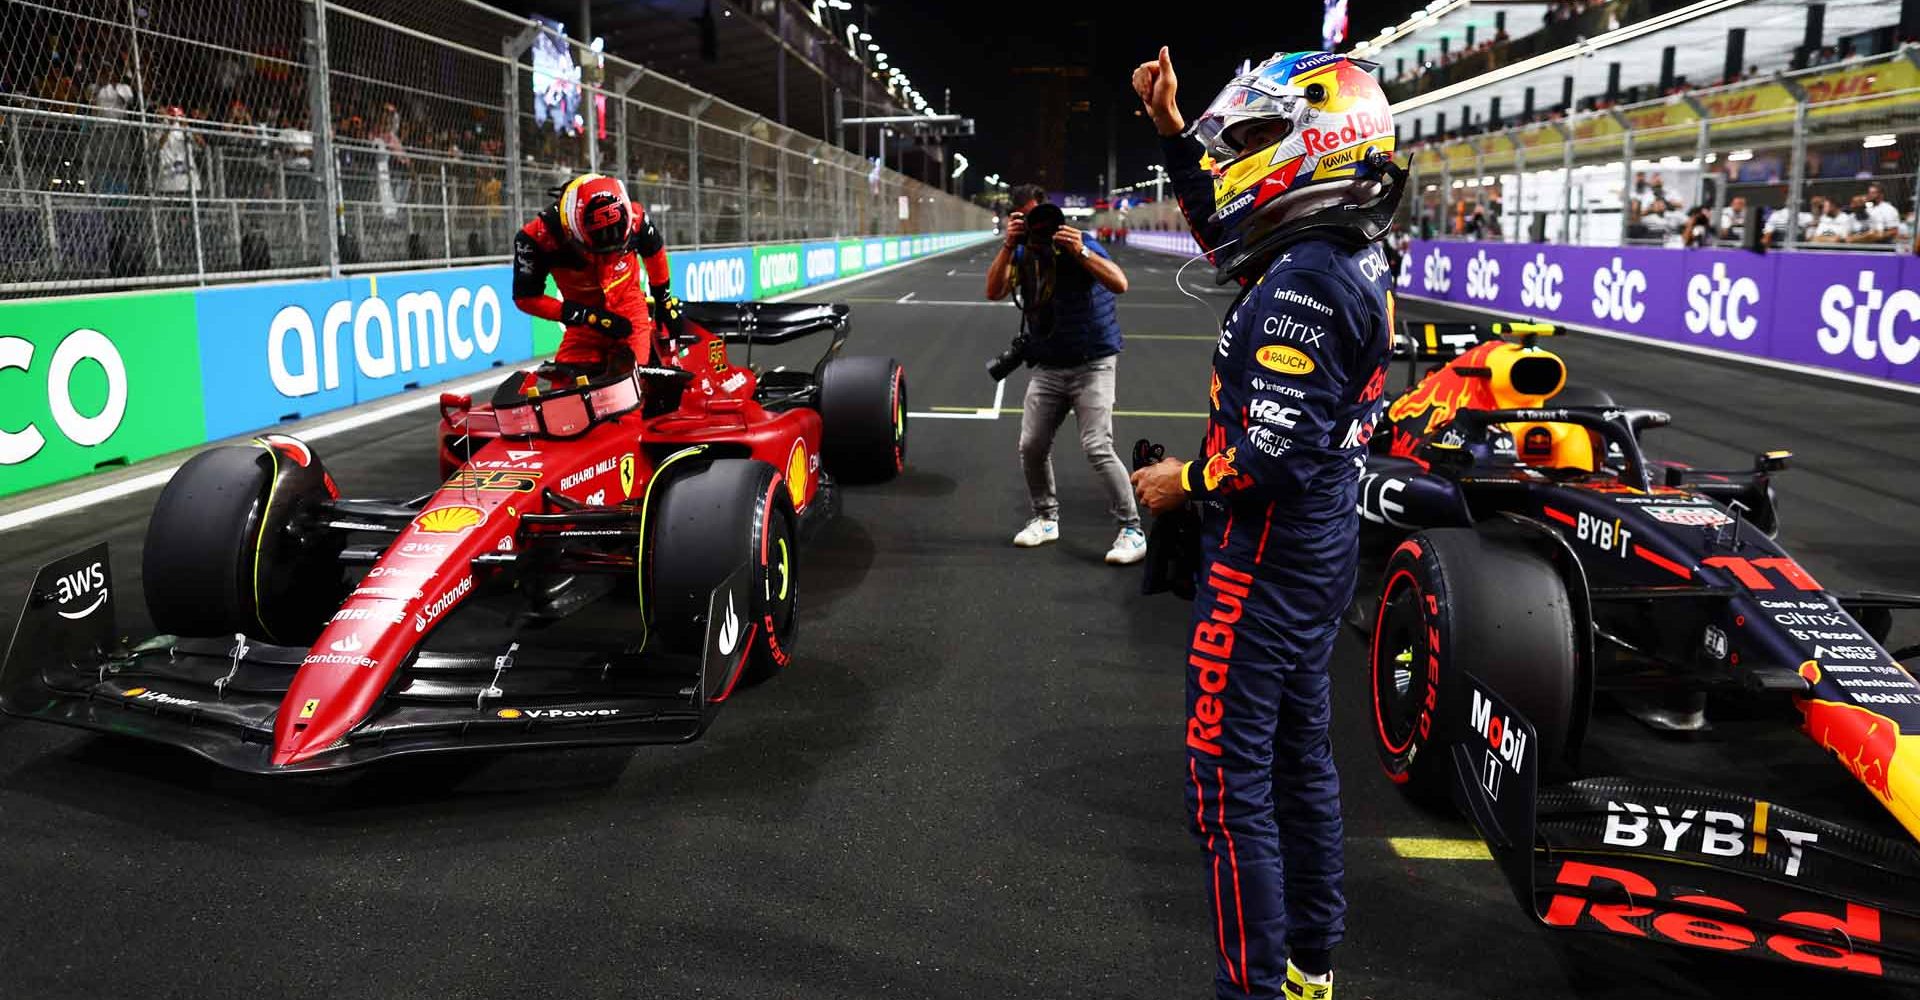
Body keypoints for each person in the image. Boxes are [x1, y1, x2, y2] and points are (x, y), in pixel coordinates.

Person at [1129, 46, 1401, 1000]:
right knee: (1299, 759)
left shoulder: (1303, 285)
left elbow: (1271, 457)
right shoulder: (1338, 248)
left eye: (1253, 138)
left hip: (1267, 556)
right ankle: (1310, 969)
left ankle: (1252, 990)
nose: (1238, 158)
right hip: (1315, 548)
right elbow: (1224, 232)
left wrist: (1180, 482)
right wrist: (1172, 132)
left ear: (1318, 141)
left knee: (1229, 785)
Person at [986, 183, 1145, 566]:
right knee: (1032, 446)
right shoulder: (1021, 251)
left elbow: (1119, 283)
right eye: (1027, 219)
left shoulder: (1080, 242)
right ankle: (1045, 518)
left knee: (1096, 446)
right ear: (1016, 221)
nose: (1038, 226)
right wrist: (1008, 246)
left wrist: (1080, 251)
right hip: (1048, 364)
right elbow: (994, 291)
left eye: (1041, 216)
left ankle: (1132, 529)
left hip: (1093, 361)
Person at [511, 173, 685, 378]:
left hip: (630, 314)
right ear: (570, 231)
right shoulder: (537, 238)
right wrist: (582, 315)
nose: (610, 257)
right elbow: (526, 297)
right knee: (566, 391)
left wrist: (663, 300)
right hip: (584, 325)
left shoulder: (636, 217)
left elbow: (655, 252)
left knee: (631, 387)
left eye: (617, 251)